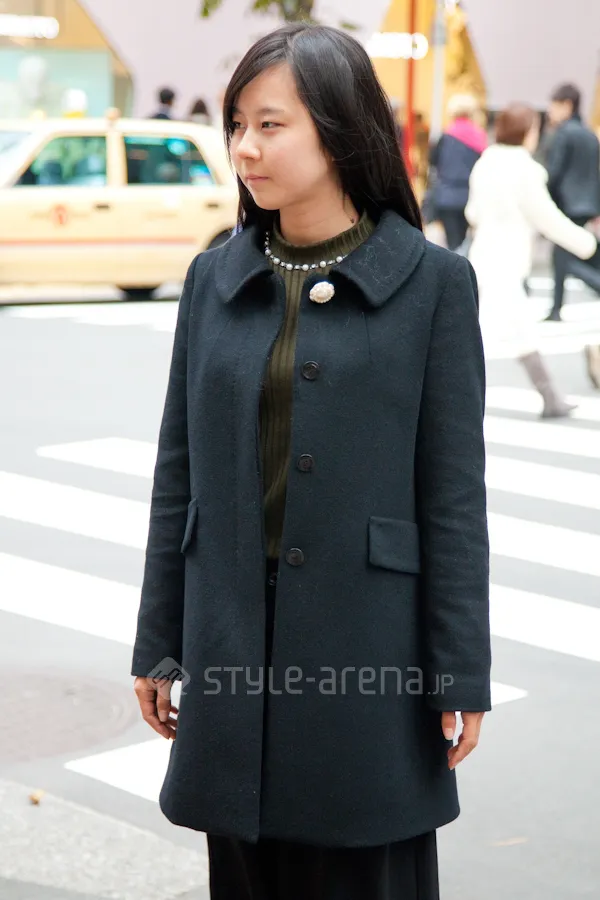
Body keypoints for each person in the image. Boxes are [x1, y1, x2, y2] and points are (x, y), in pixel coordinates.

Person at [131, 23, 491, 900]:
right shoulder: (213, 280)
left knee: (363, 870)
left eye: (270, 125)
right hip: (230, 645)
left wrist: (459, 670)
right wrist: (159, 643)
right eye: (237, 125)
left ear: (340, 130)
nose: (244, 149)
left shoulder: (432, 285)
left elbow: (452, 497)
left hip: (370, 651)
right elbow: (178, 475)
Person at [466, 103, 598, 417]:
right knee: (499, 332)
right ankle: (549, 398)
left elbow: (472, 212)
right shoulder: (524, 169)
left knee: (486, 330)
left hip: (482, 254)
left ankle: (550, 398)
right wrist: (586, 243)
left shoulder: (486, 162)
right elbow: (547, 218)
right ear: (529, 132)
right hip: (506, 260)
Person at [544, 83, 600, 320]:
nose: (550, 111)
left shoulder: (564, 134)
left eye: (554, 106)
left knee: (563, 258)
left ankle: (556, 308)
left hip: (567, 204)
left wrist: (545, 200)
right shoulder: (589, 134)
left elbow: (555, 172)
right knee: (580, 253)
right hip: (588, 204)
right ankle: (556, 308)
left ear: (567, 105)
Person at [429, 93, 487, 250]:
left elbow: (433, 162)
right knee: (467, 243)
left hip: (446, 197)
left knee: (452, 244)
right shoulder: (480, 137)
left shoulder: (445, 136)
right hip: (471, 196)